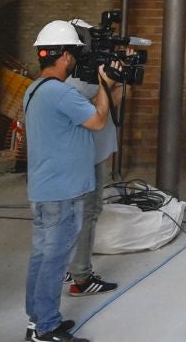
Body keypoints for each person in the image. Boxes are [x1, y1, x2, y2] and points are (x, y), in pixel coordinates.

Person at [22, 20, 113, 342]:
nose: (74, 60)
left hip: (47, 189)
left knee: (42, 256)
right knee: (54, 259)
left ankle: (38, 320)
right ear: (63, 57)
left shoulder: (35, 89)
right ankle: (45, 329)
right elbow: (98, 121)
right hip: (62, 193)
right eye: (72, 54)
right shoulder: (60, 94)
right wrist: (105, 84)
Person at [63, 25, 120, 300]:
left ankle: (68, 266)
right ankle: (81, 277)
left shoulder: (88, 74)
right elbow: (100, 113)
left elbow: (116, 100)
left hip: (92, 151)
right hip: (85, 154)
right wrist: (110, 84)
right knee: (87, 211)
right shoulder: (78, 79)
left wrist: (117, 79)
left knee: (76, 212)